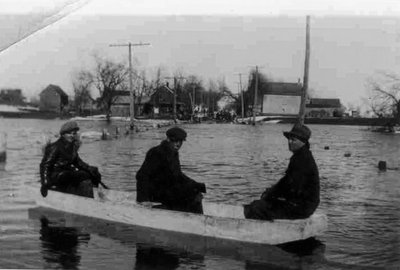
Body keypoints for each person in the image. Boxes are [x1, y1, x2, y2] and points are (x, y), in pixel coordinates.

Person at [244, 123, 320, 221]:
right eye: (289, 139)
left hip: (301, 207)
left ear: (303, 142)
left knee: (256, 208)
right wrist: (271, 191)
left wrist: (272, 194)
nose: (289, 142)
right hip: (301, 204)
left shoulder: (302, 160)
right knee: (259, 204)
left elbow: (293, 187)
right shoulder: (300, 156)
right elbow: (286, 181)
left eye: (293, 140)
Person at [136, 126, 206, 214]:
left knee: (196, 192)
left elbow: (178, 176)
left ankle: (193, 218)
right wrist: (143, 200)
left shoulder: (173, 153)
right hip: (154, 193)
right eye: (175, 141)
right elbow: (142, 175)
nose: (178, 144)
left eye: (180, 141)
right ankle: (196, 220)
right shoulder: (157, 152)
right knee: (193, 195)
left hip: (165, 190)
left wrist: (197, 186)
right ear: (168, 139)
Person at [39, 121, 102, 198]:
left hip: (67, 174)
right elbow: (45, 165)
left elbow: (78, 163)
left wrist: (90, 169)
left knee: (94, 172)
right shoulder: (55, 147)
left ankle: (95, 194)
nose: (72, 135)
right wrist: (45, 183)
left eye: (74, 133)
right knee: (79, 175)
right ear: (63, 135)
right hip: (57, 175)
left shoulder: (71, 147)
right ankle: (87, 199)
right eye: (70, 133)